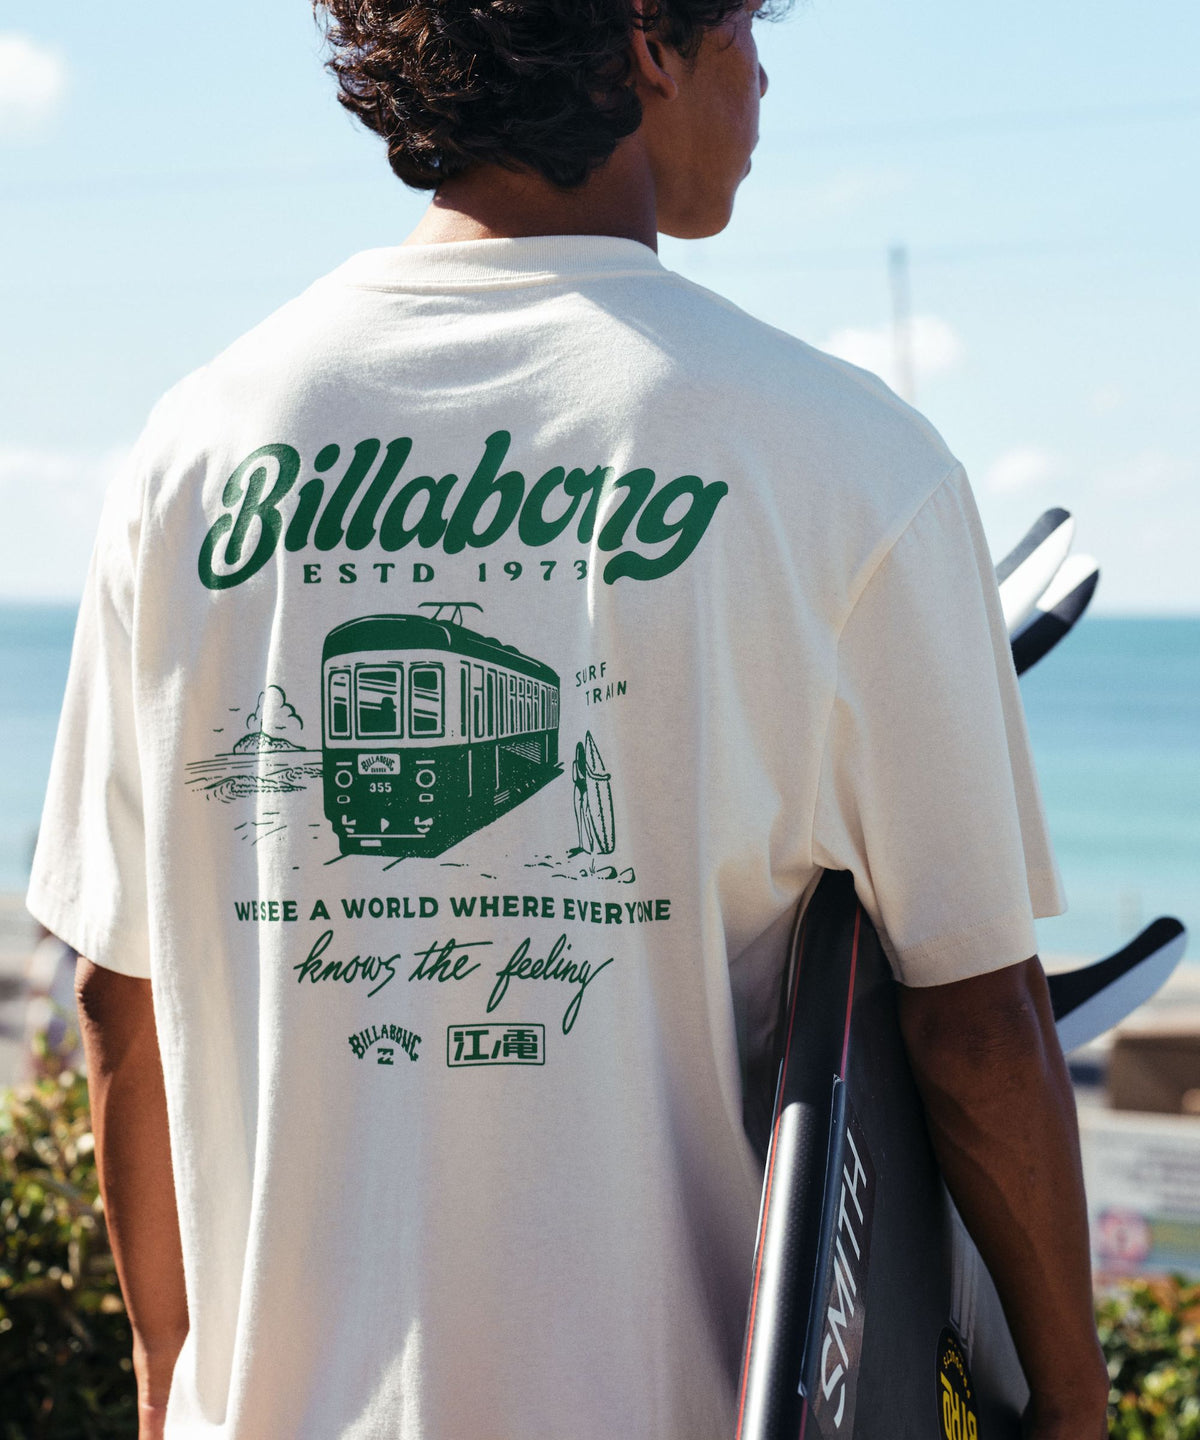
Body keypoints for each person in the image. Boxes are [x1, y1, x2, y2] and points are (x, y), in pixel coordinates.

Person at [28, 2, 1109, 1437]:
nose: (765, 74)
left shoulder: (194, 452)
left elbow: (122, 996)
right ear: (651, 39)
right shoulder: (852, 461)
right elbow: (975, 1022)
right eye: (745, 26)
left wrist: (170, 1372)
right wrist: (1073, 1403)